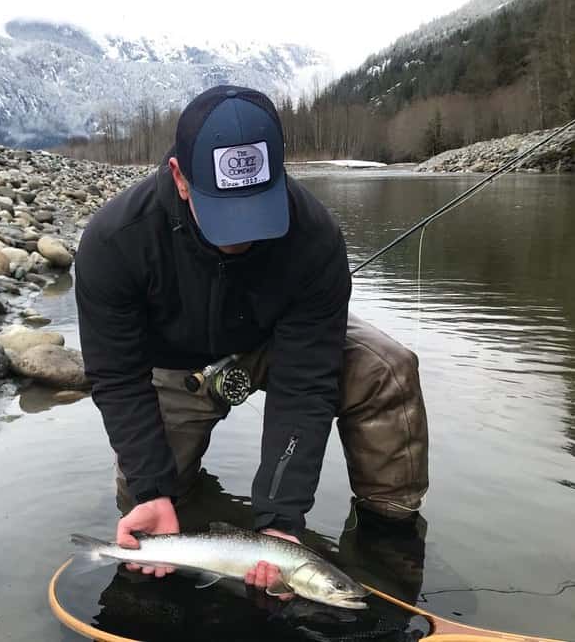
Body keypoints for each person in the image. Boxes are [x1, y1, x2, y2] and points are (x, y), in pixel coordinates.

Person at [75, 85, 428, 594]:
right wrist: (152, 489)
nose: (241, 235)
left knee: (385, 368)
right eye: (223, 211)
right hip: (176, 367)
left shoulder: (315, 237)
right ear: (179, 176)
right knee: (150, 502)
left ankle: (388, 544)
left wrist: (281, 522)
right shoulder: (115, 241)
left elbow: (306, 385)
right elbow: (117, 375)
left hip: (277, 343)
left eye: (256, 209)